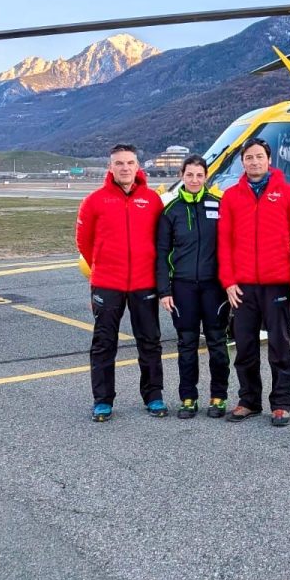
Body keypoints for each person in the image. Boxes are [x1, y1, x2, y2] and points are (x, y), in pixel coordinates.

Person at [76, 143, 167, 421]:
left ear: (138, 166)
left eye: (129, 163)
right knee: (104, 343)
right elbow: (84, 241)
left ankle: (153, 396)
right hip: (108, 284)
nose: (125, 168)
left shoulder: (152, 200)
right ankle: (103, 400)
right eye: (119, 163)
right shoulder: (94, 200)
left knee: (149, 342)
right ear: (110, 167)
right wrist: (102, 268)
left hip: (144, 284)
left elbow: (161, 241)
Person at [218, 137, 290, 425]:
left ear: (269, 159)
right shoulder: (231, 196)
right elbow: (224, 242)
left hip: (277, 283)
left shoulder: (287, 193)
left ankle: (281, 402)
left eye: (259, 157)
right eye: (249, 158)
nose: (254, 162)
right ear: (242, 162)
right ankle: (248, 400)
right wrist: (228, 281)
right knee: (245, 346)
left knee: (279, 345)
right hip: (242, 286)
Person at [156, 154, 230, 419]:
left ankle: (219, 396)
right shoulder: (171, 211)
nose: (195, 180)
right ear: (182, 176)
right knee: (186, 344)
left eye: (200, 175)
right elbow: (162, 253)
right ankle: (188, 397)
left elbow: (230, 247)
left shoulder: (219, 206)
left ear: (206, 176)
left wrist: (229, 284)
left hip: (214, 289)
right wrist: (164, 290)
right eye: (190, 175)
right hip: (183, 289)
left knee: (217, 343)